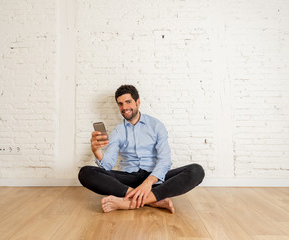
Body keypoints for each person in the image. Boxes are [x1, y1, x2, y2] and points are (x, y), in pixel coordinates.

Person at [78, 85, 205, 213]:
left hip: (155, 178)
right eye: (120, 104)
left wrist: (148, 183)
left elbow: (164, 160)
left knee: (196, 171)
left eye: (128, 102)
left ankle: (128, 203)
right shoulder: (118, 131)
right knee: (85, 173)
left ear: (138, 102)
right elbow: (108, 165)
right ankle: (153, 200)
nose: (124, 107)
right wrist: (96, 151)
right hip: (129, 179)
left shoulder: (156, 125)